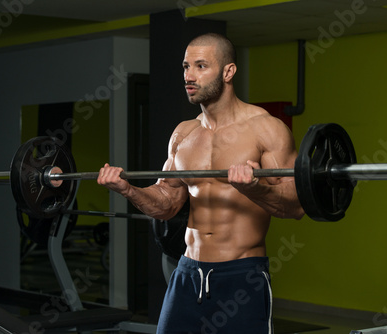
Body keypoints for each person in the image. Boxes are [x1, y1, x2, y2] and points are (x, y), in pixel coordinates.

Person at [98, 32, 305, 334]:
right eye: (185, 67)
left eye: (200, 66)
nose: (189, 76)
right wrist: (128, 189)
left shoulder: (266, 129)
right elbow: (167, 204)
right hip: (187, 272)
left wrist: (253, 188)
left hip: (240, 276)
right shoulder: (184, 134)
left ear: (228, 71)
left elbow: (294, 207)